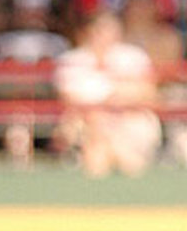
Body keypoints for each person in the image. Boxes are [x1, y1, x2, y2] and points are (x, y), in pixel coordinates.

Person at [53, 9, 161, 177]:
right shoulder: (72, 60)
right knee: (96, 138)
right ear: (88, 31)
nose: (106, 35)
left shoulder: (133, 56)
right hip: (87, 122)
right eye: (101, 29)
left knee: (110, 144)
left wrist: (119, 103)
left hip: (129, 118)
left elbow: (149, 92)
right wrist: (100, 112)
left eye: (111, 29)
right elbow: (69, 98)